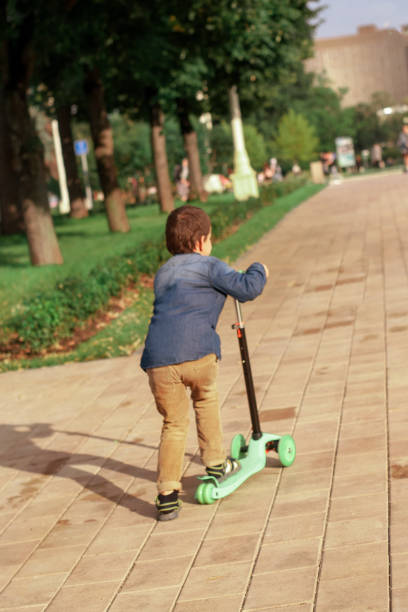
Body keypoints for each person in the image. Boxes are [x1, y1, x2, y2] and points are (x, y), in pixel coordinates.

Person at [140, 205, 268, 521]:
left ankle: (167, 494)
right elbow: (246, 289)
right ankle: (214, 462)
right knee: (205, 400)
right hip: (197, 353)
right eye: (209, 238)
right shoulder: (210, 266)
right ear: (200, 241)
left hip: (158, 361)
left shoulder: (163, 273)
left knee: (173, 423)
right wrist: (258, 268)